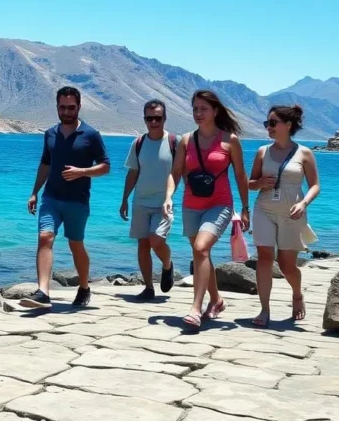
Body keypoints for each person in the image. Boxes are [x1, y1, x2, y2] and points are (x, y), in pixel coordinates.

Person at [24, 86, 111, 309]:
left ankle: (84, 287)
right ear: (57, 108)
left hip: (78, 201)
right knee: (45, 237)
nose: (67, 111)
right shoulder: (50, 134)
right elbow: (45, 164)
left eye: (71, 107)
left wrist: (83, 172)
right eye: (62, 107)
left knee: (76, 245)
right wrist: (34, 192)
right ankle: (43, 292)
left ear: (79, 107)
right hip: (51, 198)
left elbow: (105, 166)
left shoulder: (91, 135)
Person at [171, 90, 250, 328]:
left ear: (215, 111)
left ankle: (196, 309)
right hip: (191, 204)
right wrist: (167, 197)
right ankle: (216, 300)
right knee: (200, 254)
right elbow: (175, 173)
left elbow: (240, 175)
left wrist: (245, 208)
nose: (198, 113)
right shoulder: (186, 140)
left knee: (201, 247)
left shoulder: (229, 140)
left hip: (220, 204)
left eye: (203, 108)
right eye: (195, 108)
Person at [248, 105, 321, 326]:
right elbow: (249, 184)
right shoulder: (262, 151)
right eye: (266, 123)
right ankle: (264, 310)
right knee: (264, 257)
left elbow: (315, 185)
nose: (268, 127)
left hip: (293, 214)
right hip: (264, 210)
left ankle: (297, 294)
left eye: (272, 123)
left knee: (287, 265)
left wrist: (304, 203)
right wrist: (259, 183)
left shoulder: (304, 153)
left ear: (287, 125)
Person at [119, 99, 178, 300]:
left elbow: (181, 172)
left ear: (164, 118)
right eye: (149, 118)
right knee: (143, 245)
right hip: (141, 202)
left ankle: (168, 265)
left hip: (164, 203)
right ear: (145, 120)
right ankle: (148, 288)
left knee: (157, 241)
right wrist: (125, 199)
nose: (154, 122)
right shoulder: (138, 143)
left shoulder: (174, 142)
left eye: (158, 118)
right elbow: (133, 173)